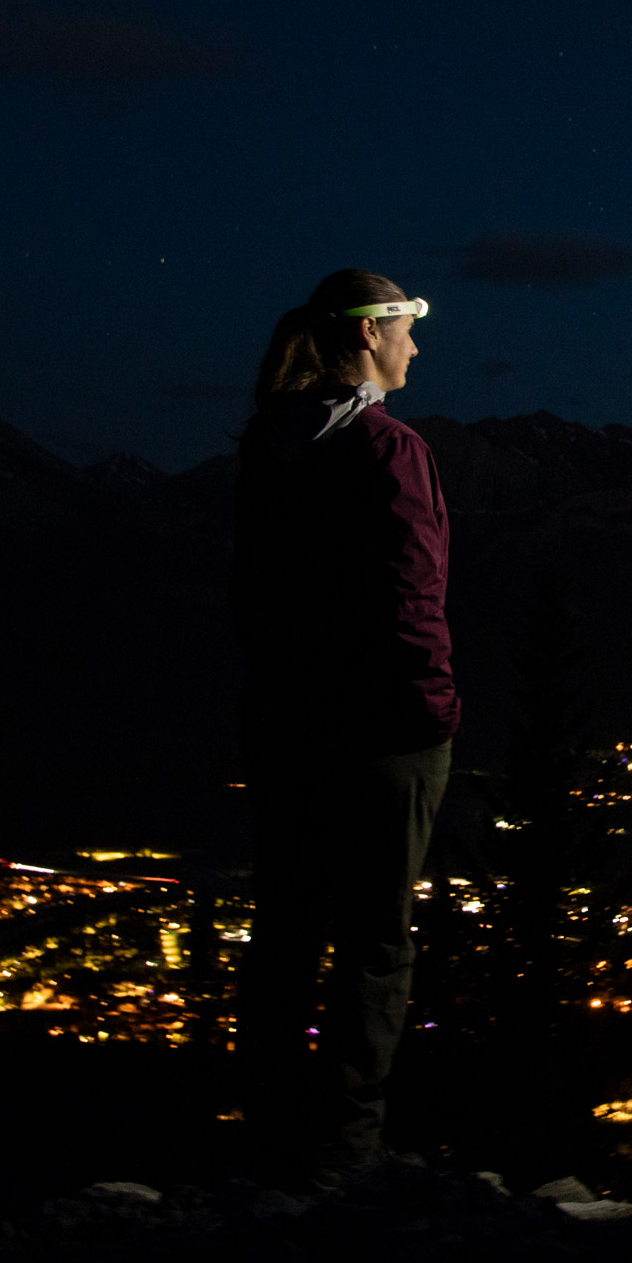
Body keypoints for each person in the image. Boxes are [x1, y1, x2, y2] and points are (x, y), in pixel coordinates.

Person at [231, 267, 458, 1179]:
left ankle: (268, 1142)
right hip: (385, 736)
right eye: (407, 325)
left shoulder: (269, 446)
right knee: (373, 945)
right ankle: (345, 1157)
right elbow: (413, 597)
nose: (415, 343)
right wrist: (433, 710)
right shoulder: (385, 448)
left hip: (288, 731)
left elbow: (250, 594)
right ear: (368, 333)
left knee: (286, 930)